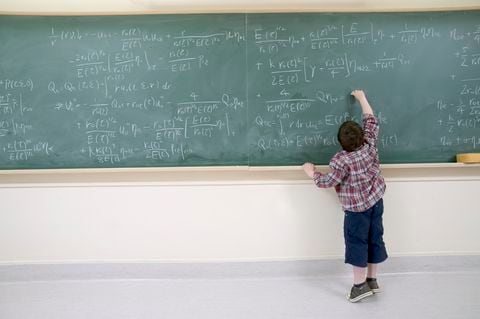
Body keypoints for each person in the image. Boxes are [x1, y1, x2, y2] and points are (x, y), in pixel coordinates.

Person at [302, 89, 388, 303]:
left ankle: (359, 287)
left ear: (341, 143)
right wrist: (362, 98)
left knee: (357, 243)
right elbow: (371, 120)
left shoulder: (341, 161)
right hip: (376, 202)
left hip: (357, 212)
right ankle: (372, 280)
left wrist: (312, 173)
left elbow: (328, 181)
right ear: (361, 136)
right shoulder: (369, 145)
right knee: (374, 239)